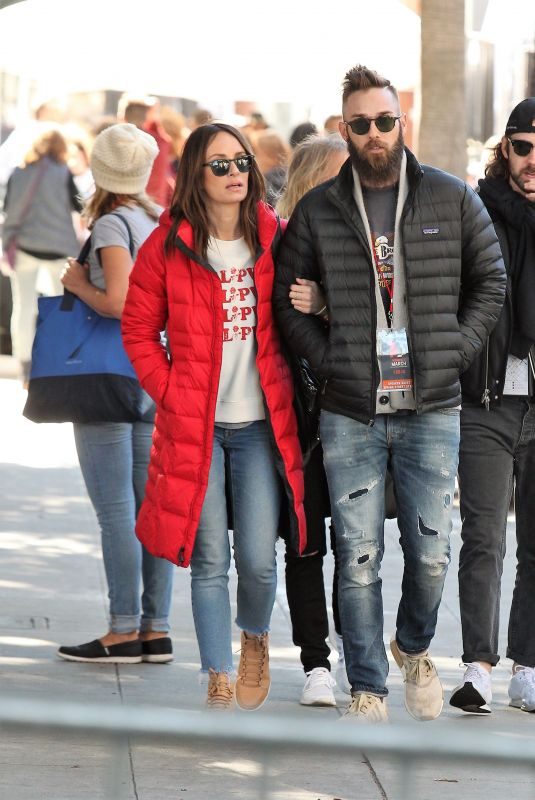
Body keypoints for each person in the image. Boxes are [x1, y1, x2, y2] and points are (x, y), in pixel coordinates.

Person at [273, 64, 506, 723]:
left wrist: (449, 354)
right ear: (342, 129)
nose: (373, 133)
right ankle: (368, 687)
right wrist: (334, 360)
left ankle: (411, 645)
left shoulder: (451, 197)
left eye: (383, 120)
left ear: (400, 121)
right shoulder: (319, 210)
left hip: (430, 407)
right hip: (351, 410)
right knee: (358, 554)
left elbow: (489, 285)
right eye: (359, 124)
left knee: (432, 550)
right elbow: (286, 305)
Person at [121, 122, 306, 711]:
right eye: (220, 165)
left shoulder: (275, 236)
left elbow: (308, 302)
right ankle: (218, 673)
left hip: (259, 427)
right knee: (208, 560)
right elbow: (138, 330)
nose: (235, 174)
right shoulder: (168, 244)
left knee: (256, 558)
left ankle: (253, 639)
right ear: (196, 175)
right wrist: (171, 388)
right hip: (195, 428)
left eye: (242, 162)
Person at [56, 123, 174, 665]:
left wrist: (79, 286)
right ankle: (156, 628)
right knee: (150, 506)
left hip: (106, 379)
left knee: (117, 512)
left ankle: (123, 628)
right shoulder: (157, 220)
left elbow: (123, 302)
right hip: (153, 376)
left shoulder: (111, 224)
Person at [450, 98, 535, 715]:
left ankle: (527, 666)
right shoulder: (475, 210)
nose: (533, 161)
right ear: (505, 148)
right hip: (488, 397)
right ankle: (478, 665)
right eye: (523, 146)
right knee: (484, 536)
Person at [277, 133, 350, 705]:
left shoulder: (363, 239)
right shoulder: (279, 245)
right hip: (293, 418)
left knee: (356, 541)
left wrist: (326, 303)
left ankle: (355, 649)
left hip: (350, 414)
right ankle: (315, 663)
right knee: (303, 543)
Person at [2, 128, 83, 385]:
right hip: (59, 249)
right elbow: (79, 207)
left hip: (25, 247)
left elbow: (7, 208)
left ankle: (25, 367)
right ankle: (55, 364)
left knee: (24, 307)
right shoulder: (64, 173)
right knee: (60, 308)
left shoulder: (20, 172)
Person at [252, 129, 291, 206]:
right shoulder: (290, 174)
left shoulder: (268, 182)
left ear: (269, 155)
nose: (254, 158)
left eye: (256, 153)